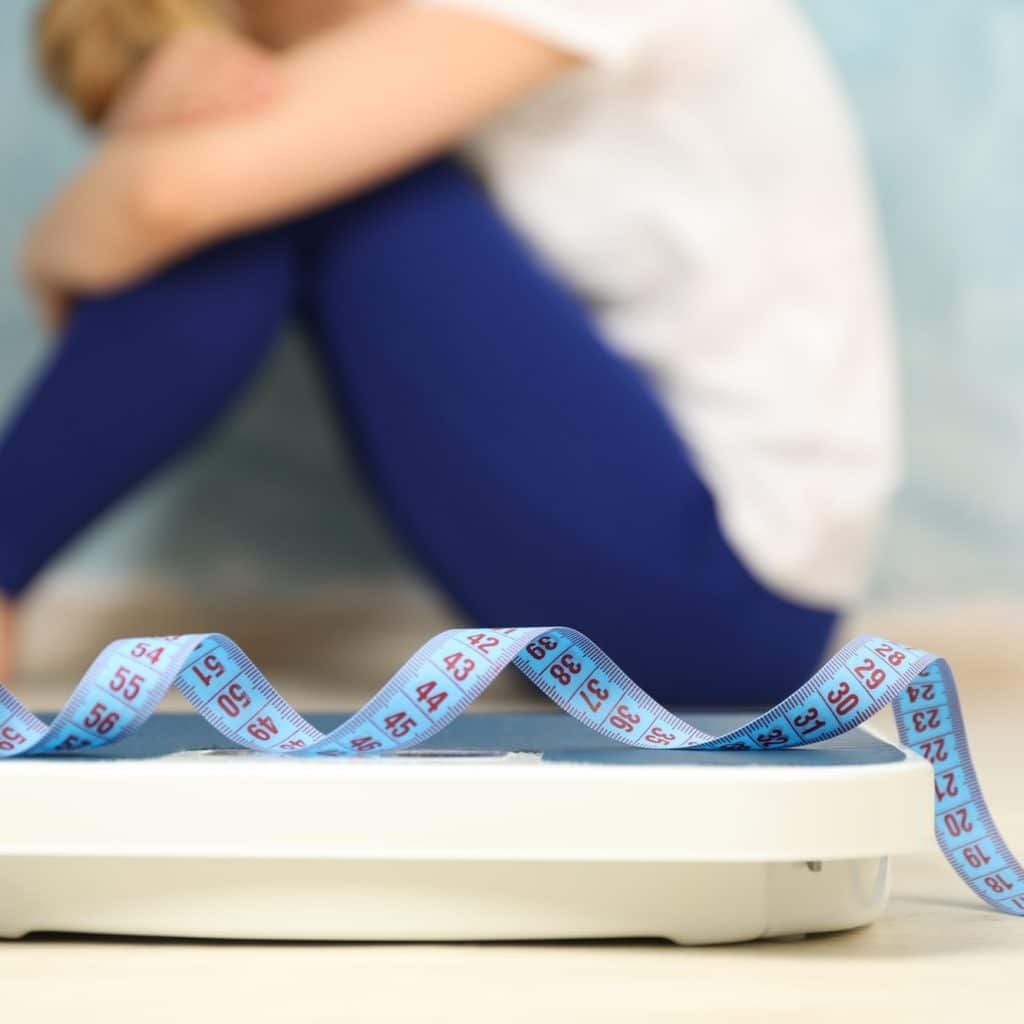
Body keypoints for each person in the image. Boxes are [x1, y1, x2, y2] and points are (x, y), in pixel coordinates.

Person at [0, 0, 899, 705]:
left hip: (727, 607)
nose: (280, 59)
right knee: (280, 170)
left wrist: (50, 245)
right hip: (633, 591)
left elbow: (162, 199)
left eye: (261, 21)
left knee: (287, 182)